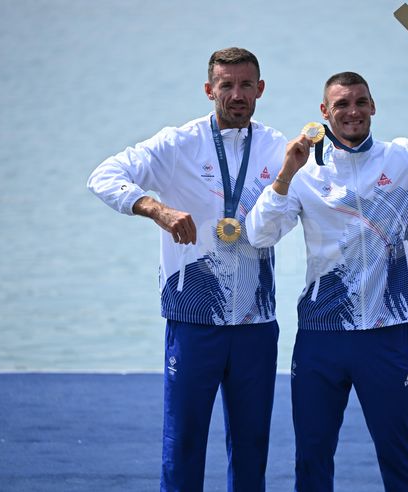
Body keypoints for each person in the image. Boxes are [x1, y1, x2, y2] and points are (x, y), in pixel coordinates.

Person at [246, 60, 408, 491]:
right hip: (320, 335)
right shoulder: (305, 173)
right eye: (341, 104)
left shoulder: (404, 158)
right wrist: (287, 174)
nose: (353, 111)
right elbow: (259, 235)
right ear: (324, 113)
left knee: (399, 455)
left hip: (385, 335)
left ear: (374, 107)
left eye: (361, 102)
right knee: (312, 459)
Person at [87, 47, 287, 492]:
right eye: (226, 85)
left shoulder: (279, 147)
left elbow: (335, 185)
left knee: (253, 447)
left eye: (246, 85)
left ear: (260, 89)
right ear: (208, 89)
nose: (237, 94)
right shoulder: (177, 144)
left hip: (257, 322)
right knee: (184, 445)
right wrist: (155, 208)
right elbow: (104, 175)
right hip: (194, 321)